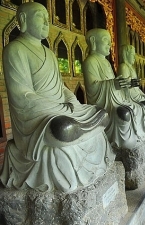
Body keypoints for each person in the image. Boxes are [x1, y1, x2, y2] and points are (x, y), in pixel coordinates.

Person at [0, 3, 115, 192]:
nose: (47, 22)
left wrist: (71, 101)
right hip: (38, 117)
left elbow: (61, 87)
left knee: (100, 113)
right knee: (62, 128)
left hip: (61, 109)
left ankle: (78, 128)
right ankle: (74, 130)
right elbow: (22, 96)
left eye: (47, 17)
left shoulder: (50, 54)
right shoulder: (15, 50)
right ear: (23, 20)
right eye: (40, 17)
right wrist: (58, 108)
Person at [117, 44, 145, 131]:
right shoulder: (123, 66)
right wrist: (132, 83)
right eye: (132, 54)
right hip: (129, 95)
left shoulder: (131, 68)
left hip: (136, 92)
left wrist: (135, 83)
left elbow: (134, 85)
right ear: (126, 54)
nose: (134, 57)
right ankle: (144, 128)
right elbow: (124, 85)